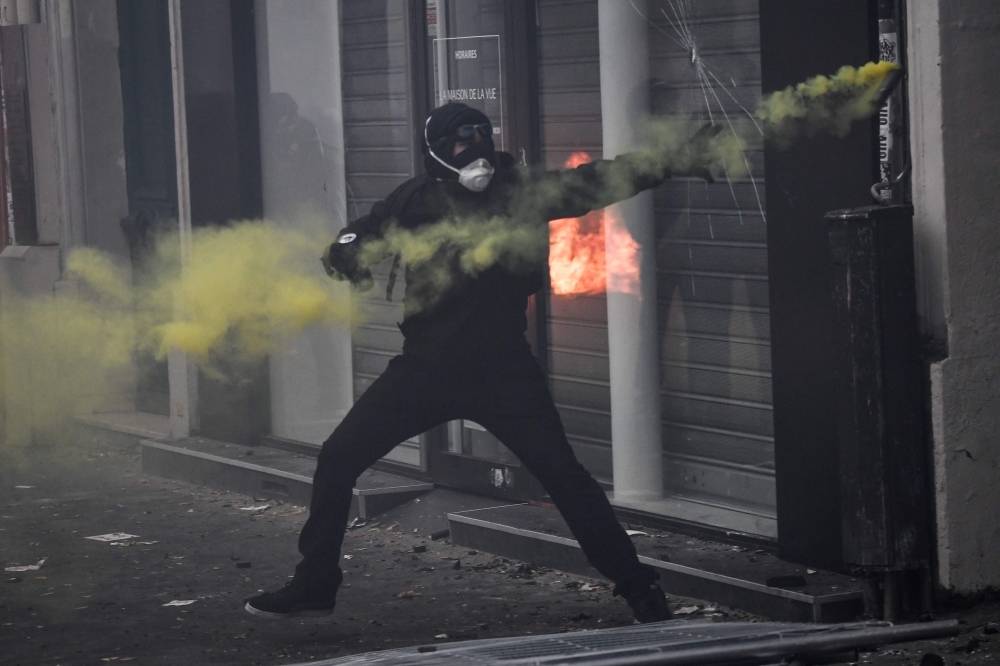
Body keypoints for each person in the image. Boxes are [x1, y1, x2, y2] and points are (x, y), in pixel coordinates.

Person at [246, 102, 716, 624]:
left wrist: (677, 158)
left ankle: (641, 592)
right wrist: (344, 252)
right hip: (424, 371)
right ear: (438, 152)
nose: (475, 152)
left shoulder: (519, 191)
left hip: (504, 373)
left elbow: (599, 180)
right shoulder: (415, 199)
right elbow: (367, 230)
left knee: (567, 481)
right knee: (336, 459)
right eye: (460, 142)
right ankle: (315, 584)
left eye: (481, 137)